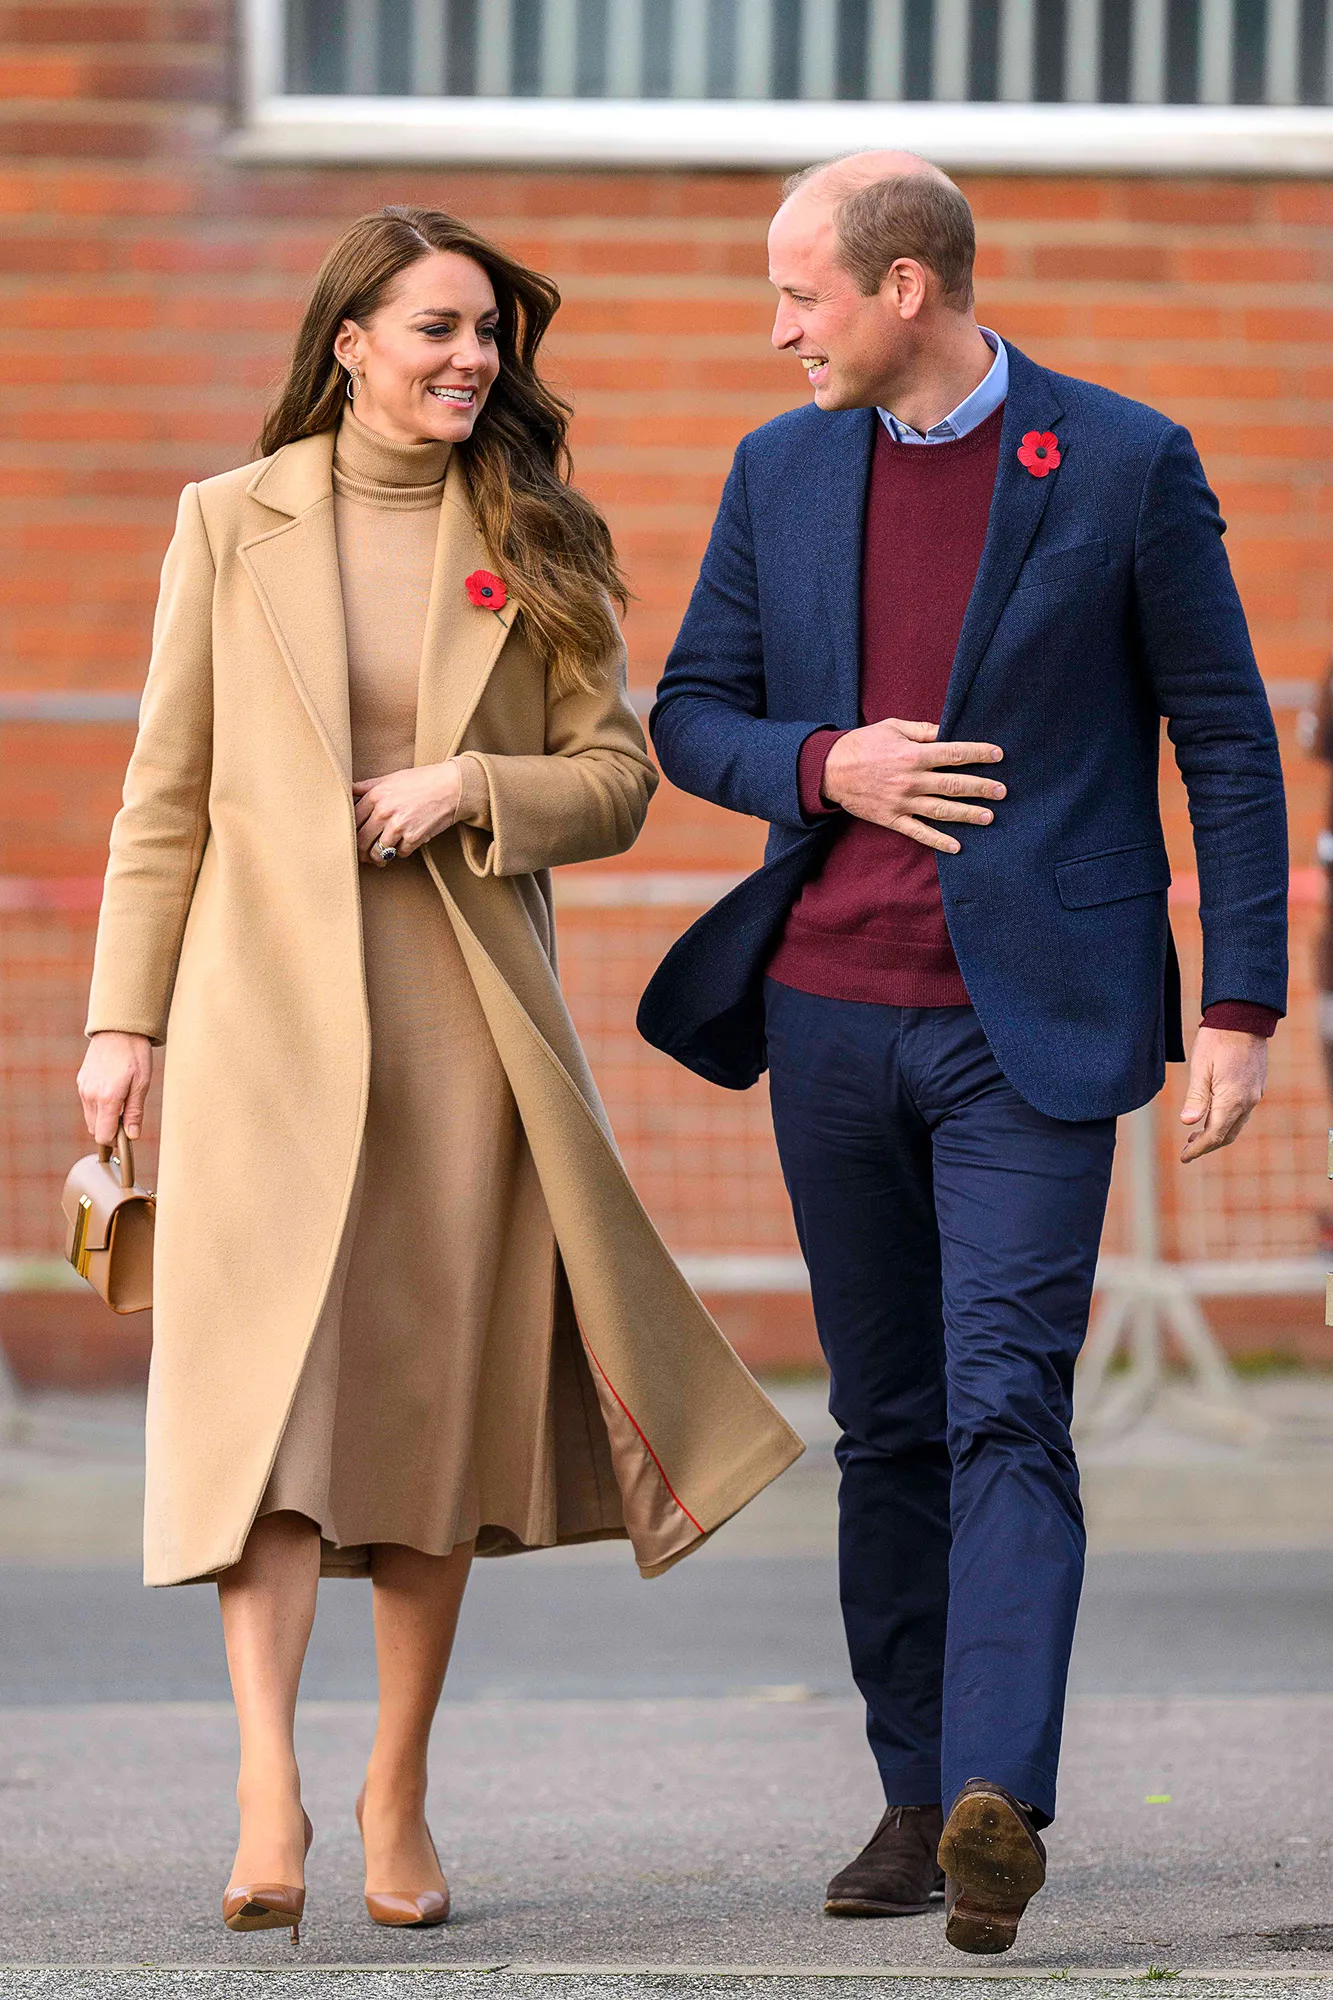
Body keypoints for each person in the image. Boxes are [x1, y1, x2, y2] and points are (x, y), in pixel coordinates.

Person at [77, 205, 800, 1943]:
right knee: (260, 1411)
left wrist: (480, 784)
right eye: (435, 329)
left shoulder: (534, 532)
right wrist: (123, 1022)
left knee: (418, 1419)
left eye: (486, 331)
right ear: (349, 341)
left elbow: (619, 778)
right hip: (259, 1030)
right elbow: (163, 795)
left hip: (463, 1032)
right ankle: (268, 1784)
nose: (471, 358)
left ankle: (394, 1786)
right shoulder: (223, 525)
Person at [640, 154, 1287, 1955]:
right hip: (829, 1017)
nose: (779, 333)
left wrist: (1240, 1003)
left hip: (1038, 1029)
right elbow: (689, 710)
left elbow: (1225, 741)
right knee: (890, 1422)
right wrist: (821, 763)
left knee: (1010, 1399)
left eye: (803, 298)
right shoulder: (779, 470)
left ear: (906, 286)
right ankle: (914, 1795)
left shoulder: (1126, 461)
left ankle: (1001, 1795)